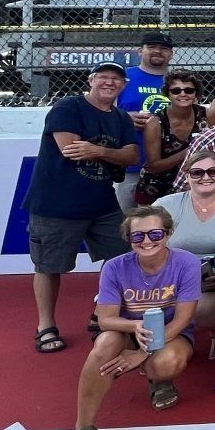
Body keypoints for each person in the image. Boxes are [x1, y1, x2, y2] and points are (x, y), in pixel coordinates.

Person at [70, 205, 201, 430]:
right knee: (105, 346)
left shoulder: (186, 262)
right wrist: (134, 328)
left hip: (170, 330)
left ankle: (157, 378)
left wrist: (142, 353)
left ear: (168, 233)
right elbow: (105, 319)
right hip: (125, 328)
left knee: (166, 363)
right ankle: (83, 426)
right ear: (128, 239)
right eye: (137, 236)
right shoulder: (115, 267)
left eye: (155, 234)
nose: (147, 241)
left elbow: (184, 319)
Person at [28, 61, 135, 355]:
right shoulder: (68, 107)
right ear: (91, 80)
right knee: (49, 267)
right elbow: (71, 149)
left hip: (102, 203)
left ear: (124, 86)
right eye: (103, 77)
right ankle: (45, 326)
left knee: (123, 257)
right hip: (55, 203)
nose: (109, 83)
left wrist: (99, 150)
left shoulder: (121, 117)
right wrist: (113, 154)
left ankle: (102, 313)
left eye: (116, 79)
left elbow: (131, 155)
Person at [153, 146, 215, 344]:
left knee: (204, 306)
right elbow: (147, 246)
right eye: (197, 172)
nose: (205, 177)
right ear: (186, 175)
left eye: (213, 171)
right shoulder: (164, 206)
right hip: (172, 282)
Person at [116, 31, 174, 208]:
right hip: (129, 166)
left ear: (171, 54)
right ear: (140, 51)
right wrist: (124, 118)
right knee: (126, 225)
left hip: (168, 166)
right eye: (151, 47)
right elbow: (99, 111)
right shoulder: (122, 77)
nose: (157, 51)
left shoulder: (179, 82)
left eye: (164, 48)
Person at [138, 68, 203, 205]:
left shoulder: (207, 116)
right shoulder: (155, 122)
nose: (183, 94)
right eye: (176, 90)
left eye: (189, 90)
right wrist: (190, 151)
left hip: (195, 188)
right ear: (167, 94)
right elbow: (154, 166)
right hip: (156, 190)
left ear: (196, 93)